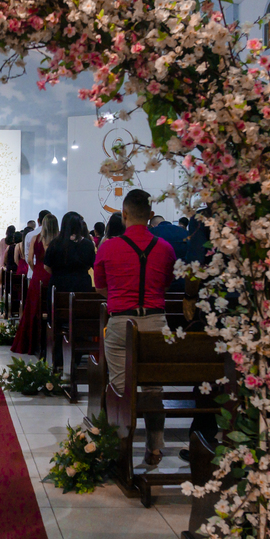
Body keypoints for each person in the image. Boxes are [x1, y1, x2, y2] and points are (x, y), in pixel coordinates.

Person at [94, 189, 177, 466]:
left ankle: (121, 449)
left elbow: (100, 287)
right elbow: (165, 284)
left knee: (120, 389)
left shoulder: (108, 247)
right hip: (156, 323)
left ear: (124, 214)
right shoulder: (165, 248)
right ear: (151, 215)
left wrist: (121, 298)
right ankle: (154, 448)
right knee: (154, 390)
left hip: (121, 322)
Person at [12, 214, 58, 354]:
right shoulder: (58, 240)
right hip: (53, 275)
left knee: (33, 310)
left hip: (38, 276)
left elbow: (30, 259)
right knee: (51, 308)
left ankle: (32, 344)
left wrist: (36, 270)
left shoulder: (35, 239)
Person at [45, 211, 97, 294]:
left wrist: (59, 274)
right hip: (82, 285)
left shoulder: (55, 243)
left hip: (59, 285)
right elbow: (94, 265)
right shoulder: (87, 244)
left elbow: (46, 266)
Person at [24, 210, 51, 279]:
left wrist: (34, 269)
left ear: (38, 220)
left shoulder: (30, 235)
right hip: (49, 273)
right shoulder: (53, 235)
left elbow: (28, 256)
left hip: (33, 272)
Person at [0, 225, 16, 298]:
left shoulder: (2, 241)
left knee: (0, 281)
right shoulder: (13, 242)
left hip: (2, 262)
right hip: (9, 262)